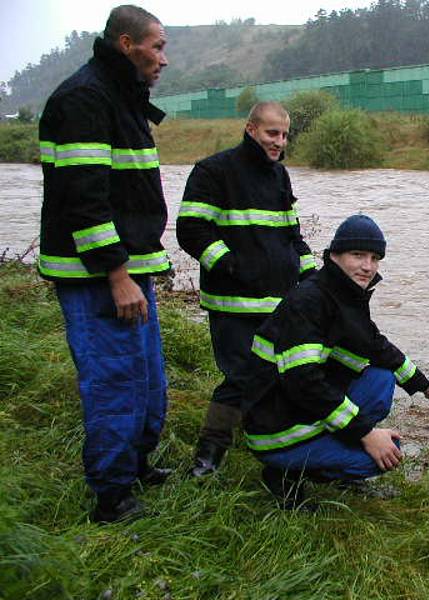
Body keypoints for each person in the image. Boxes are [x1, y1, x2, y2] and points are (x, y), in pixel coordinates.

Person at [37, 5, 171, 523]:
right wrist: (117, 275)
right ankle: (111, 498)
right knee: (115, 380)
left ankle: (136, 466)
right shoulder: (85, 99)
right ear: (125, 44)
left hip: (129, 270)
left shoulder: (119, 96)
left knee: (147, 379)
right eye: (157, 46)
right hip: (97, 277)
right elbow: (84, 199)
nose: (163, 59)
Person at [241, 214, 429, 507]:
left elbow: (378, 347)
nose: (367, 266)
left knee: (382, 377)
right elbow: (304, 383)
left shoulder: (344, 294)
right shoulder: (309, 301)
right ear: (334, 255)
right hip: (274, 429)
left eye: (374, 258)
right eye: (357, 255)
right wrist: (366, 434)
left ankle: (324, 453)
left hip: (292, 406)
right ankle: (284, 474)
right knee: (381, 456)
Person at [177, 101, 315, 477]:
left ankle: (272, 446)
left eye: (285, 135)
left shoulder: (280, 176)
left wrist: (314, 278)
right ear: (251, 129)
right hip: (232, 302)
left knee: (281, 374)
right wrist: (230, 265)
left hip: (279, 302)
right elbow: (191, 230)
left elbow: (293, 236)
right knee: (241, 377)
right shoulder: (213, 170)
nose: (279, 141)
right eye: (272, 133)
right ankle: (209, 453)